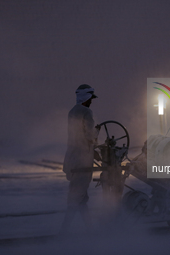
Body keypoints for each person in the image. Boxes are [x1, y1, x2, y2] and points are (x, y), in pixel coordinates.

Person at [60, 84, 99, 235]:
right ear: (86, 98)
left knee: (81, 197)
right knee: (76, 197)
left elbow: (78, 136)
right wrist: (97, 133)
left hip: (72, 158)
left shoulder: (72, 112)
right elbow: (89, 135)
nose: (91, 102)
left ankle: (90, 231)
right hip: (83, 161)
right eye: (90, 99)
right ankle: (63, 233)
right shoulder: (86, 112)